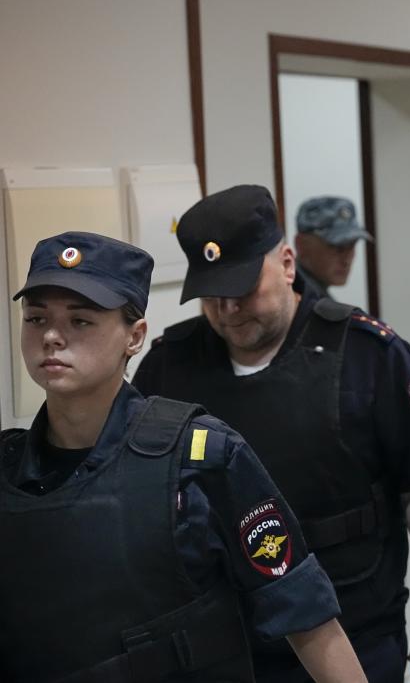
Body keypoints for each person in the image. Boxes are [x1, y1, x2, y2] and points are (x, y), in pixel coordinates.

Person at [0, 231, 365, 683]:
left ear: (134, 337)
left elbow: (303, 610)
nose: (52, 337)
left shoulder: (203, 456)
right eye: (36, 319)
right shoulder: (8, 469)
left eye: (81, 321)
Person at [134, 185, 410, 683]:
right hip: (221, 642)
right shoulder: (168, 365)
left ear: (287, 263)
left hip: (354, 631)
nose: (227, 311)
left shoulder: (368, 355)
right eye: (211, 296)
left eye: (243, 289)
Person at [294, 196, 372, 299]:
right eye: (338, 247)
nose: (346, 260)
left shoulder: (311, 296)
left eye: (352, 245)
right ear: (301, 245)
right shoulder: (295, 300)